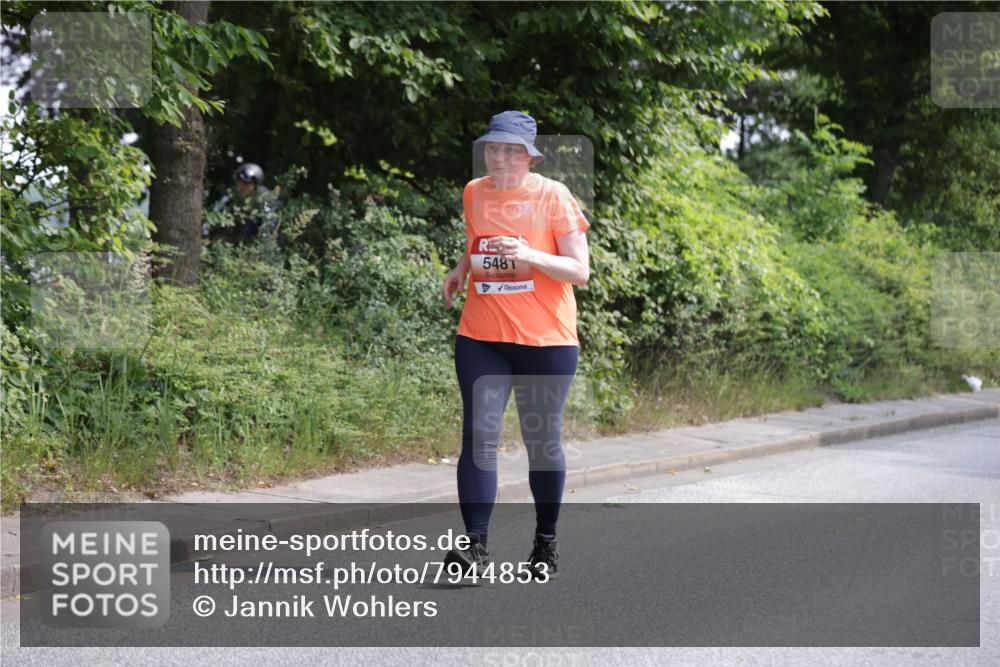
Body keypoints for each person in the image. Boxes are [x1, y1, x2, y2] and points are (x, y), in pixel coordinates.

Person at [441, 110, 591, 582]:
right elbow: (479, 242)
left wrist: (529, 255)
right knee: (478, 437)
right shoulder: (474, 192)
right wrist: (461, 268)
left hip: (545, 341)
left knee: (541, 443)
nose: (500, 157)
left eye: (511, 150)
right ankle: (475, 546)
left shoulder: (553, 196)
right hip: (482, 336)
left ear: (531, 157)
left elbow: (579, 271)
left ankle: (545, 542)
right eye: (493, 148)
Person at [206, 163, 278, 244]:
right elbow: (216, 212)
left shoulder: (264, 196)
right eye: (240, 182)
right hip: (233, 234)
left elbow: (269, 221)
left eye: (247, 183)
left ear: (255, 185)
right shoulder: (232, 195)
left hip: (254, 234)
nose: (242, 186)